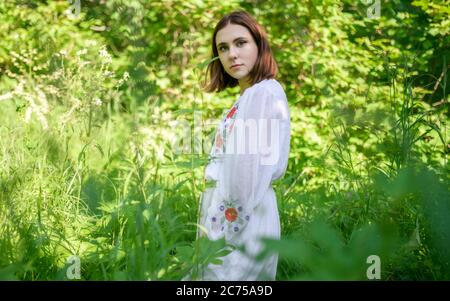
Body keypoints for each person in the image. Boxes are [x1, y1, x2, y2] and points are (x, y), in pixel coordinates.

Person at [190, 10, 290, 281]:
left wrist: (222, 233)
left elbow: (246, 174)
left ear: (259, 45)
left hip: (241, 220)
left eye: (241, 43)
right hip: (236, 214)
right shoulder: (249, 96)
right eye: (223, 48)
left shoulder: (262, 94)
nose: (232, 54)